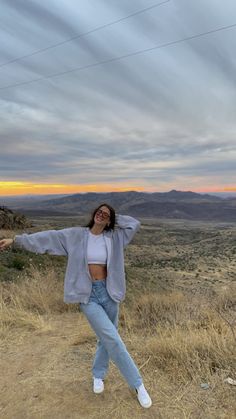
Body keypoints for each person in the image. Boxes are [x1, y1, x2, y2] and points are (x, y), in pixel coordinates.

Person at [0, 203, 152, 408]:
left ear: (110, 220)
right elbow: (46, 238)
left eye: (106, 214)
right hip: (87, 296)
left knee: (105, 337)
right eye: (99, 211)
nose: (101, 214)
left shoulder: (114, 237)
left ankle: (98, 374)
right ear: (93, 214)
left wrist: (114, 218)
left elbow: (134, 224)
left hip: (110, 293)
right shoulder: (75, 235)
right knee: (112, 338)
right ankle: (138, 384)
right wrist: (16, 241)